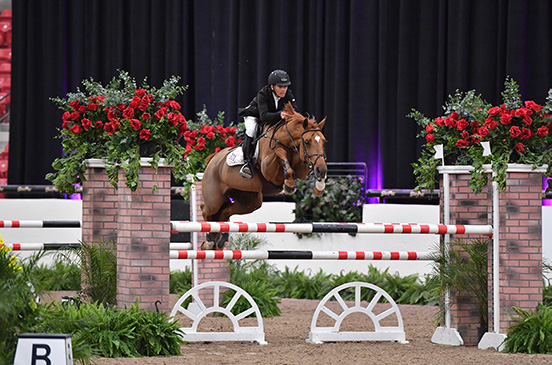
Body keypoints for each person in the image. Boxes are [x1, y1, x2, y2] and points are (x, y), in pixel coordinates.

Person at [238, 69, 299, 179]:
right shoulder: (263, 94)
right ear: (272, 87)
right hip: (256, 115)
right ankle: (247, 162)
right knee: (252, 130)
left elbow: (295, 111)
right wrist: (280, 114)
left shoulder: (288, 94)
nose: (283, 89)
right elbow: (264, 116)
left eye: (285, 86)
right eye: (280, 86)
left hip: (273, 115)